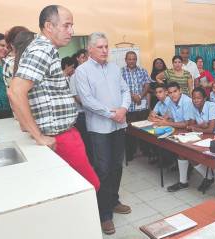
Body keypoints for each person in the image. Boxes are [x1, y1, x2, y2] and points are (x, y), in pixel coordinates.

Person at [8, 5, 101, 232]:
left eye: (72, 25)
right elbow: (15, 91)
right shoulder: (42, 49)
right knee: (89, 187)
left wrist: (27, 125)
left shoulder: (41, 48)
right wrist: (38, 135)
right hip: (59, 136)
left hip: (63, 132)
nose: (71, 31)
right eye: (66, 25)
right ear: (49, 27)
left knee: (73, 191)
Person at [74, 32, 132, 234]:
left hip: (119, 125)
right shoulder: (82, 71)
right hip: (99, 128)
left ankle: (114, 201)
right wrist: (111, 114)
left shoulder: (115, 68)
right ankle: (104, 213)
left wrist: (123, 109)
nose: (105, 50)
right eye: (100, 47)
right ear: (90, 49)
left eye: (106, 46)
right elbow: (87, 100)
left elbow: (125, 90)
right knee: (103, 169)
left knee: (117, 166)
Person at [181, 87, 215, 192]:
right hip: (203, 134)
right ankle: (209, 177)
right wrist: (201, 126)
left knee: (204, 155)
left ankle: (210, 177)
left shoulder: (212, 106)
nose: (196, 100)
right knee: (190, 154)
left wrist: (198, 127)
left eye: (199, 98)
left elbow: (211, 129)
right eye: (194, 98)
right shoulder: (193, 106)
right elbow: (190, 125)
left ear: (205, 98)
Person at [154, 82, 194, 192]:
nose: (173, 95)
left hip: (193, 131)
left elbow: (186, 123)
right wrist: (164, 121)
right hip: (180, 131)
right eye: (170, 93)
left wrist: (166, 123)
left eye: (175, 91)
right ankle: (183, 182)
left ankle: (208, 177)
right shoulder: (171, 102)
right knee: (178, 152)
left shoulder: (186, 102)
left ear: (180, 90)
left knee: (191, 156)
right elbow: (171, 117)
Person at [121, 51, 151, 162]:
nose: (132, 61)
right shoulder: (120, 72)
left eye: (134, 59)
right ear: (125, 60)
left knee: (145, 131)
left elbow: (147, 85)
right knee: (130, 132)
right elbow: (119, 88)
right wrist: (132, 96)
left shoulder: (142, 71)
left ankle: (146, 152)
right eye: (129, 59)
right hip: (129, 108)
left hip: (142, 107)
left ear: (136, 59)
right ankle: (130, 154)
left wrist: (140, 95)